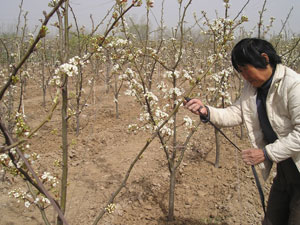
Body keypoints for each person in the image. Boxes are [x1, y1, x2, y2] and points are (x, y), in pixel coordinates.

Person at [184, 38, 300, 225]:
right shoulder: (253, 88)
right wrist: (207, 110)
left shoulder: (293, 85)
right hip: (285, 171)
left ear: (264, 59)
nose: (244, 76)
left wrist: (265, 153)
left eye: (245, 69)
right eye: (240, 72)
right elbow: (237, 112)